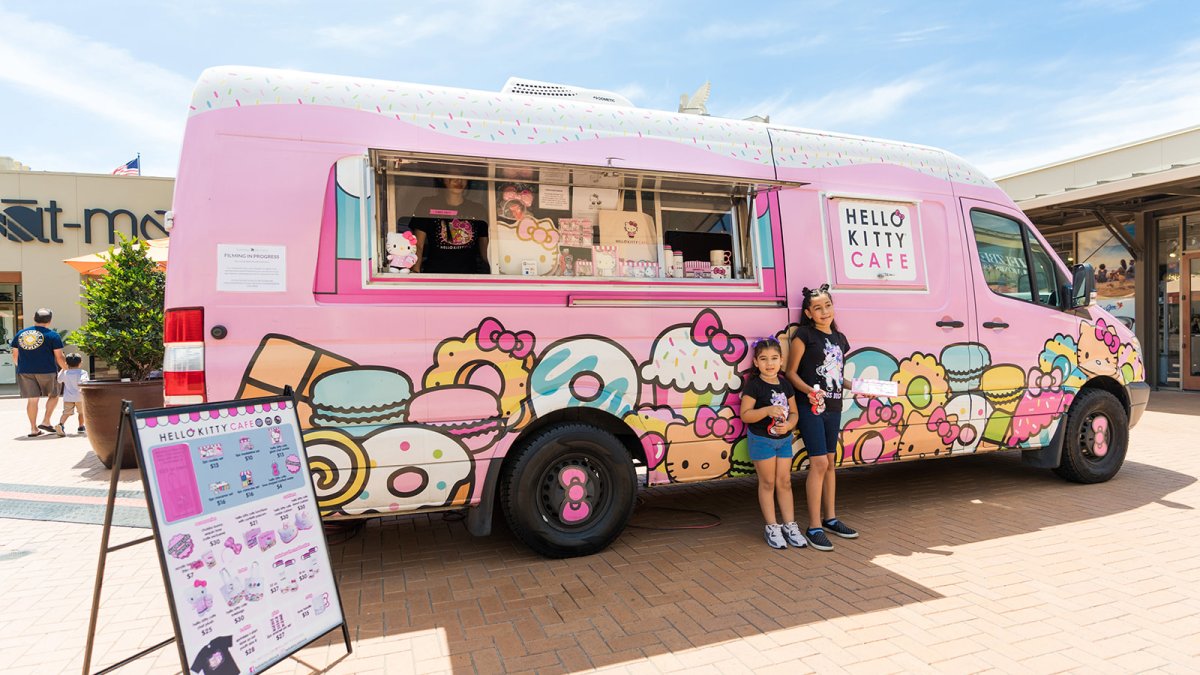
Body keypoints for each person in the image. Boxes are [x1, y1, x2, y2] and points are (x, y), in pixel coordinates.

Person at [785, 285, 866, 551]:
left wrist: (858, 387)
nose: (824, 311)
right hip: (810, 407)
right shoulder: (804, 335)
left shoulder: (840, 339)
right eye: (817, 308)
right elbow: (791, 373)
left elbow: (836, 378)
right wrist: (810, 392)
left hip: (833, 406)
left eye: (828, 305)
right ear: (808, 312)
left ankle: (831, 519)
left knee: (831, 462)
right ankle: (814, 526)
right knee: (818, 462)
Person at [739, 337, 804, 550]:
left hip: (783, 440)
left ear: (781, 360)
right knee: (767, 483)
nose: (770, 363)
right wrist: (766, 411)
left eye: (774, 358)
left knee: (784, 482)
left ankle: (790, 525)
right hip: (762, 441)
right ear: (756, 362)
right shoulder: (755, 386)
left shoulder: (785, 384)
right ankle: (772, 526)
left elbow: (794, 413)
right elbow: (745, 415)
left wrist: (790, 426)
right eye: (764, 359)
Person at [408, 173, 490, 274]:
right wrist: (415, 273)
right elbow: (418, 245)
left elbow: (486, 251)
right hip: (435, 276)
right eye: (452, 175)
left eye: (463, 176)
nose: (458, 180)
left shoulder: (477, 210)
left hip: (469, 278)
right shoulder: (427, 204)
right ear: (442, 178)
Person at [11, 308, 67, 437]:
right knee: (53, 395)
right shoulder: (52, 335)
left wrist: (21, 367)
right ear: (50, 320)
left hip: (25, 371)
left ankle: (33, 429)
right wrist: (66, 369)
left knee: (32, 400)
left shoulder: (21, 334)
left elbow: (15, 355)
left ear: (34, 319)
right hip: (47, 370)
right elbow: (59, 357)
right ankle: (46, 421)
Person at [55, 353, 88, 436]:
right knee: (81, 412)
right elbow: (84, 381)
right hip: (79, 397)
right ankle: (81, 426)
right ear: (80, 363)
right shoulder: (82, 372)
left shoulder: (65, 372)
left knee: (66, 413)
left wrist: (63, 369)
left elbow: (59, 380)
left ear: (66, 363)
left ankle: (61, 424)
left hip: (68, 398)